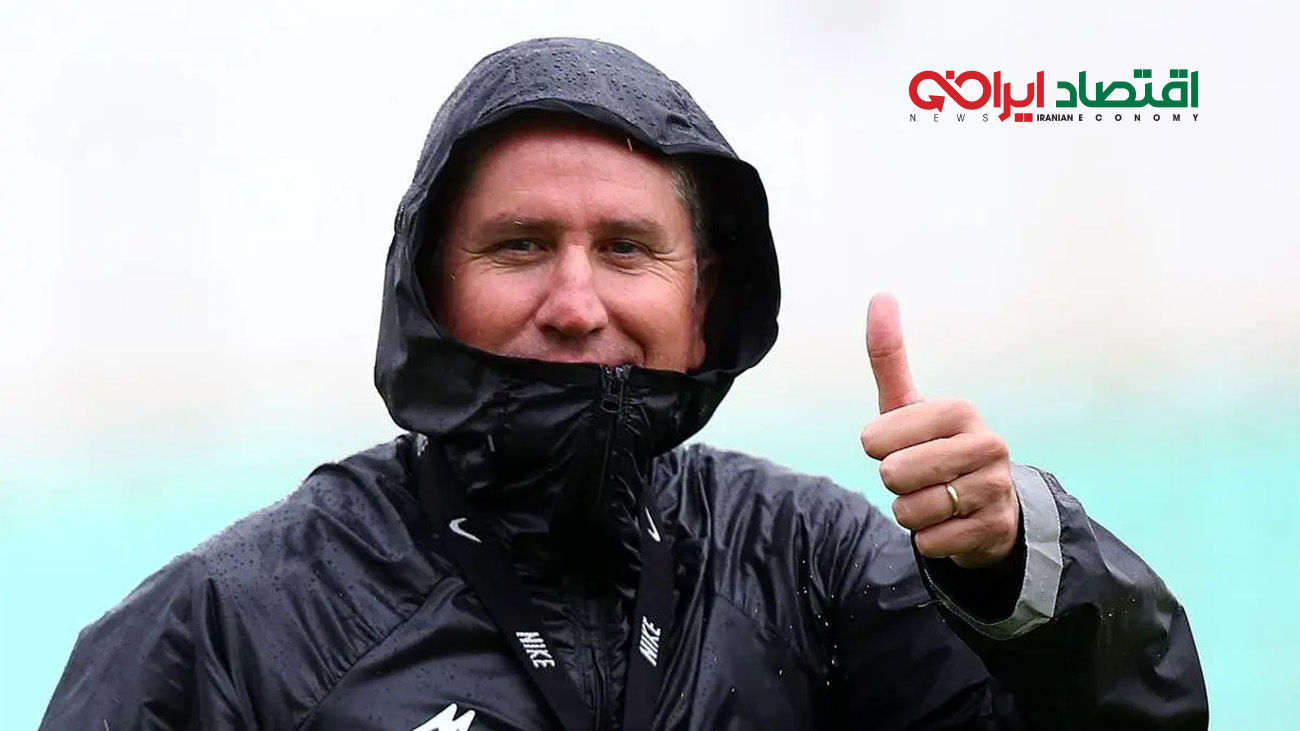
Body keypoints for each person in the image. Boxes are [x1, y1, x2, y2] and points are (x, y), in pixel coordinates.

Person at [40, 37, 1208, 730]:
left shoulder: (811, 567)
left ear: (705, 298)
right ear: (428, 288)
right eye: (518, 245)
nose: (574, 296)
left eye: (627, 248)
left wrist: (1013, 567)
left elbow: (1141, 717)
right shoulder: (231, 623)